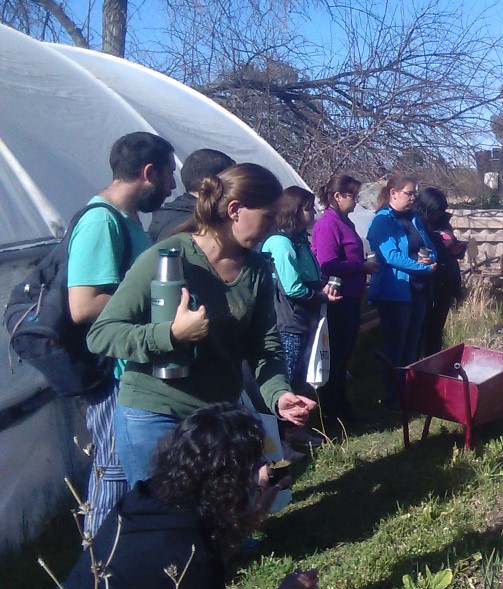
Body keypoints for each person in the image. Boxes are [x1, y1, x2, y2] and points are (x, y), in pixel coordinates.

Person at [87, 163, 315, 486]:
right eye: (267, 217)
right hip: (155, 417)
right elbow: (102, 334)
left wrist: (279, 394)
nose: (274, 228)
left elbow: (264, 344)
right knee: (166, 525)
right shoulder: (165, 258)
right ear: (235, 210)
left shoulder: (257, 270)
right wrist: (170, 335)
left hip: (217, 421)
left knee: (216, 521)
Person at [36, 403, 319, 589]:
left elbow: (209, 557)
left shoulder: (147, 498)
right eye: (253, 462)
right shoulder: (184, 557)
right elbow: (199, 565)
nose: (261, 467)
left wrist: (255, 512)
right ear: (228, 479)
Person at [68, 131, 177, 539]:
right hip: (111, 376)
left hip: (131, 369)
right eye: (168, 175)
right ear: (148, 173)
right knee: (113, 474)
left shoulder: (128, 221)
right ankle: (96, 583)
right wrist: (153, 308)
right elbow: (83, 305)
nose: (172, 187)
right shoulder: (101, 221)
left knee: (133, 473)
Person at [260, 187, 341, 444]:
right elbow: (293, 286)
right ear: (293, 210)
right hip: (289, 320)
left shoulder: (299, 240)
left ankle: (295, 431)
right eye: (307, 208)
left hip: (305, 317)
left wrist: (322, 287)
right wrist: (320, 296)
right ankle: (282, 436)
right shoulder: (280, 242)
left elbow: (310, 276)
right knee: (288, 376)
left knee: (301, 375)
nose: (313, 212)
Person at [367, 174, 436, 412]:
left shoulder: (414, 218)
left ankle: (408, 392)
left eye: (415, 193)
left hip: (418, 290)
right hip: (395, 292)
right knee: (395, 346)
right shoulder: (382, 222)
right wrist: (423, 267)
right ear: (394, 193)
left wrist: (430, 258)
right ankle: (391, 397)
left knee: (412, 344)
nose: (413, 197)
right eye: (409, 193)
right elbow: (392, 256)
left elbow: (428, 245)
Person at [312, 175, 377, 421]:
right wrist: (361, 267)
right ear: (338, 196)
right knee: (337, 354)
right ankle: (332, 407)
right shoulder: (328, 224)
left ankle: (340, 402)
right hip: (338, 299)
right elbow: (327, 264)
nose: (356, 202)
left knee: (345, 353)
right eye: (353, 196)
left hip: (352, 296)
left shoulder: (345, 222)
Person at [416, 186, 466, 358]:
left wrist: (457, 249)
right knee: (421, 331)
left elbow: (448, 241)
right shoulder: (417, 224)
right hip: (428, 284)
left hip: (446, 282)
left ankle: (434, 364)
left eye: (441, 211)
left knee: (436, 331)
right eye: (436, 211)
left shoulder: (443, 222)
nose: (439, 214)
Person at [148, 148, 236, 241]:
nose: (234, 189)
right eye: (231, 182)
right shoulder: (200, 225)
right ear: (214, 183)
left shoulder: (165, 215)